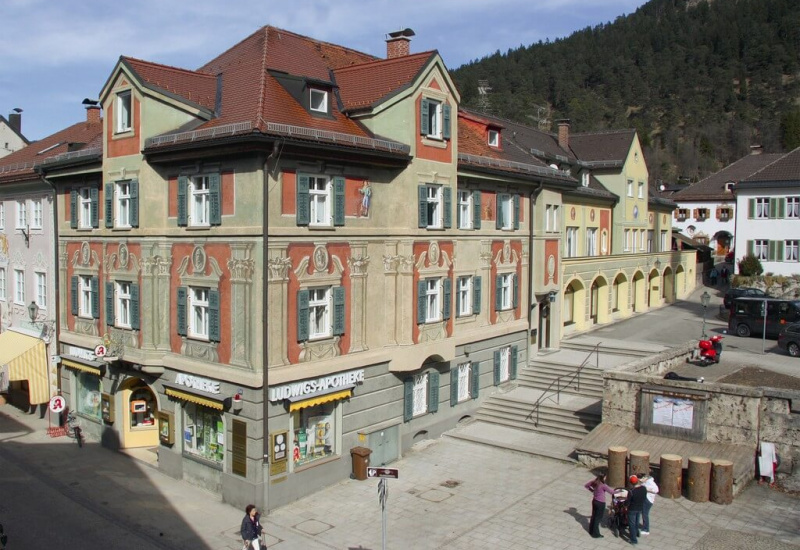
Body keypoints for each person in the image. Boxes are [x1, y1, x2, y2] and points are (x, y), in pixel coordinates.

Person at [584, 473, 615, 538]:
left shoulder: (595, 482)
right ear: (603, 477)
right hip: (601, 503)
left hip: (594, 501)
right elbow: (612, 492)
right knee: (598, 518)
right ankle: (596, 534)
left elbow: (586, 485)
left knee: (593, 516)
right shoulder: (603, 485)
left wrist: (592, 490)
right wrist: (620, 491)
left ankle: (591, 530)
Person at [626, 475, 648, 545]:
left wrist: (625, 505)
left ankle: (633, 540)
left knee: (631, 524)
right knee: (636, 522)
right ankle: (635, 533)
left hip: (632, 509)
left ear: (631, 483)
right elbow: (644, 498)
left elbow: (627, 502)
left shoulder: (631, 491)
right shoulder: (644, 489)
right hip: (640, 508)